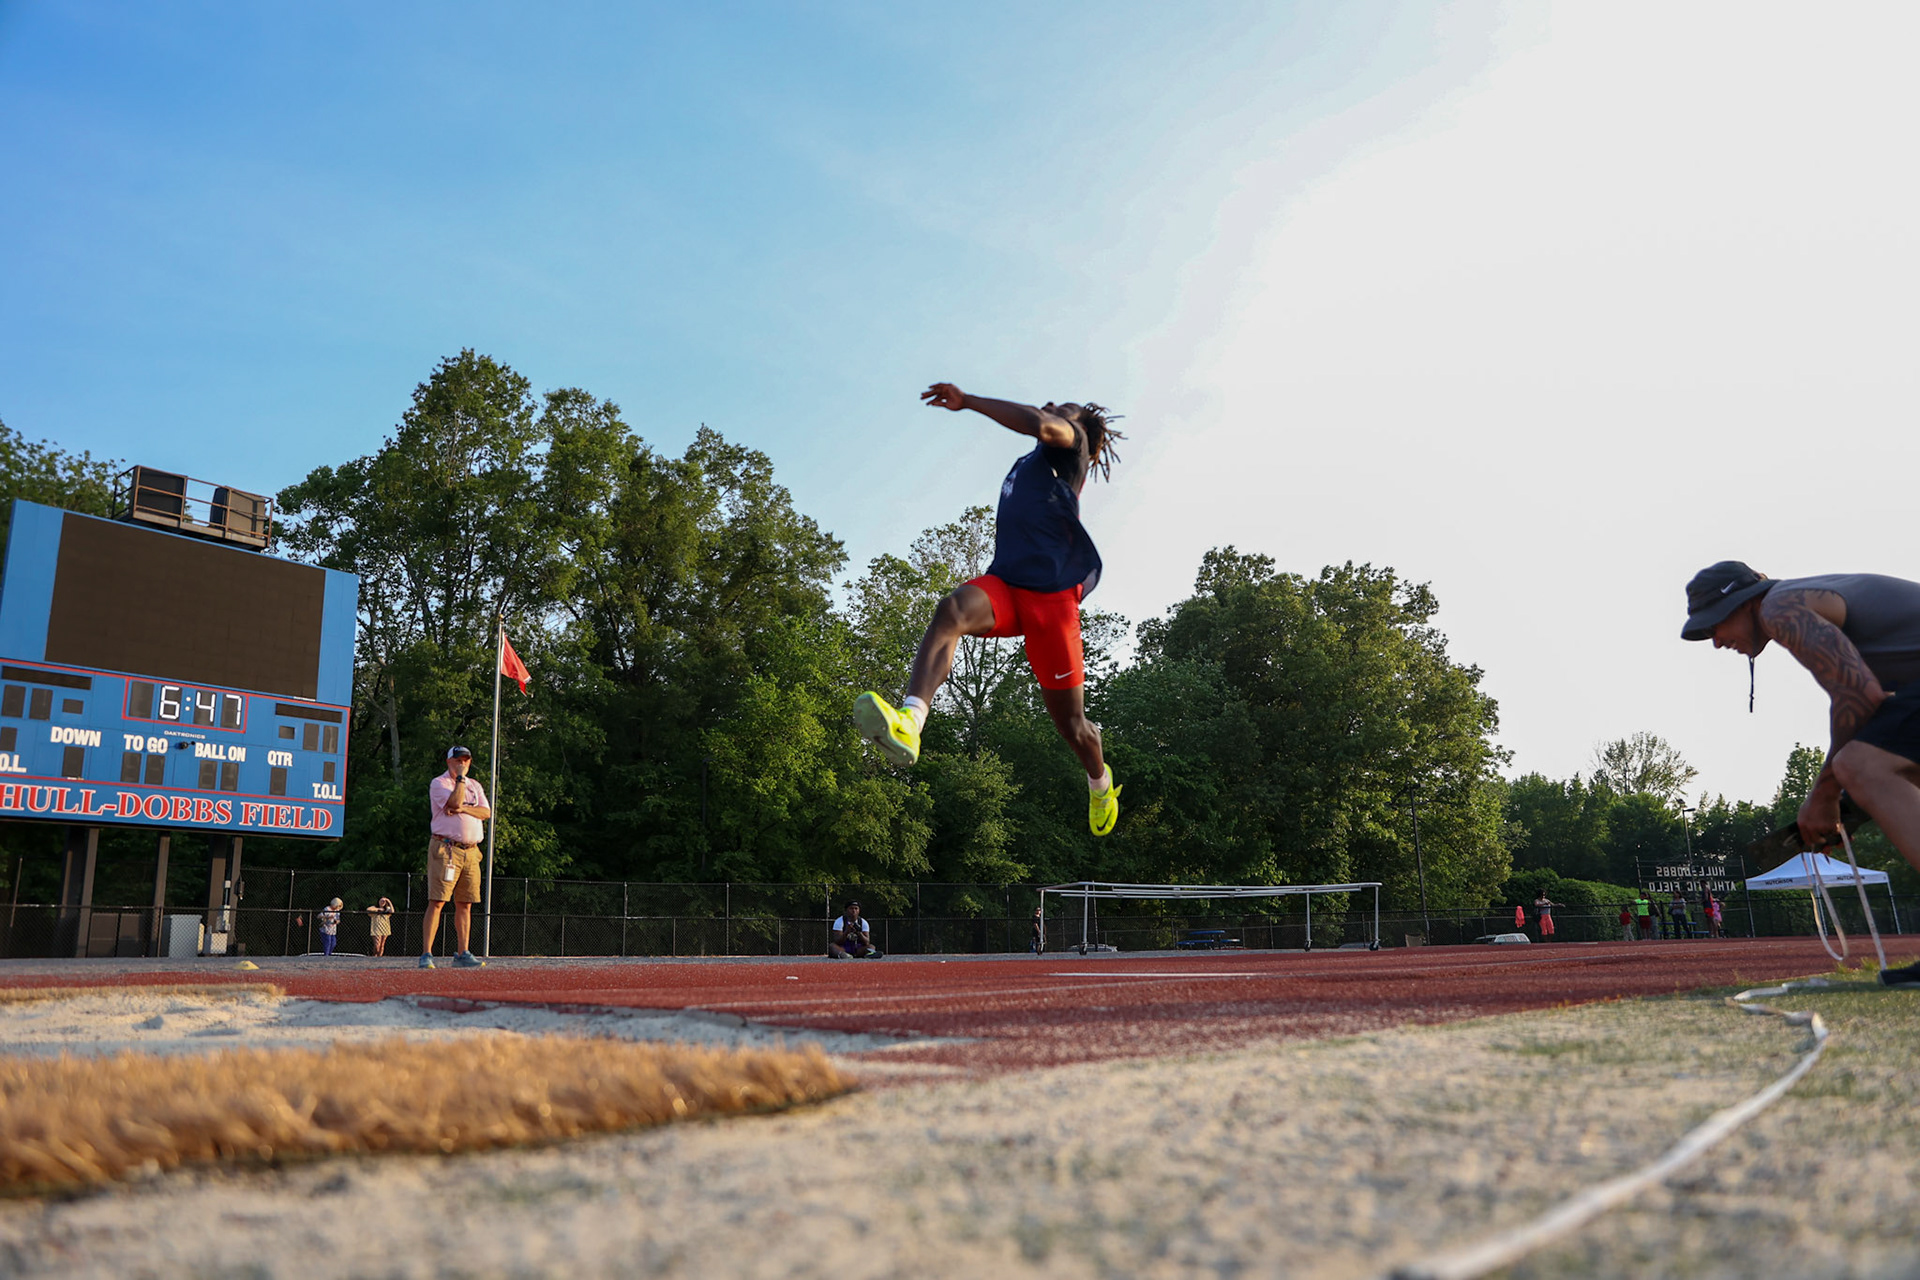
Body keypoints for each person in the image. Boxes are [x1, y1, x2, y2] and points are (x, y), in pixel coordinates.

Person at [854, 383, 1125, 837]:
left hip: (1052, 603)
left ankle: (1100, 783)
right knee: (951, 610)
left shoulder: (1071, 444)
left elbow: (1040, 423)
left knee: (1073, 726)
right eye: (1056, 404)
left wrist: (970, 402)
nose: (1054, 405)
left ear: (1078, 427)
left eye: (1066, 407)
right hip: (1007, 585)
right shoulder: (1032, 461)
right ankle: (910, 722)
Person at [1684, 561, 1920, 984]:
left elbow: (1858, 694)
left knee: (1859, 766)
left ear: (1744, 602)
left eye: (1715, 624)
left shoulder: (1780, 606)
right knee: (1892, 766)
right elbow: (1877, 703)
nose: (1716, 641)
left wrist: (1825, 795)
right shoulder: (1804, 595)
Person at [422, 745, 489, 969]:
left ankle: (463, 953)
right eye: (458, 760)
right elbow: (453, 802)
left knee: (465, 903)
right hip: (446, 849)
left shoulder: (476, 785)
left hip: (471, 851)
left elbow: (485, 812)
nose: (463, 764)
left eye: (466, 760)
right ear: (449, 761)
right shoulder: (439, 783)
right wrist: (459, 780)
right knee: (438, 901)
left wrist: (462, 809)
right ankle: (427, 954)